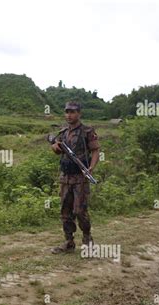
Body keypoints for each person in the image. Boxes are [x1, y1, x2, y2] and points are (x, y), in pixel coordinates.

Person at [50, 101, 100, 253]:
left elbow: (96, 151)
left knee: (80, 210)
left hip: (80, 176)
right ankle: (69, 242)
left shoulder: (87, 131)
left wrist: (91, 168)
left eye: (72, 112)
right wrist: (54, 147)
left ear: (79, 113)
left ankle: (87, 239)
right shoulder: (63, 132)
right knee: (65, 210)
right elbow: (58, 151)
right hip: (65, 176)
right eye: (67, 112)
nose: (69, 115)